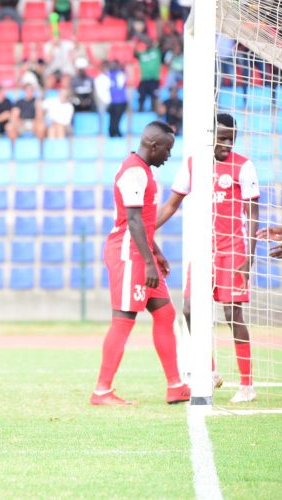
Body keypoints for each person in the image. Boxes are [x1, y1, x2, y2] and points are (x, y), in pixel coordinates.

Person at [157, 113, 260, 403]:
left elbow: (253, 215)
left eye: (231, 138)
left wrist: (249, 257)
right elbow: (172, 204)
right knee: (189, 309)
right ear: (209, 138)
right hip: (203, 250)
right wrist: (147, 228)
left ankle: (247, 385)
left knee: (232, 313)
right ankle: (211, 371)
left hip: (234, 248)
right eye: (222, 137)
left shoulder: (244, 166)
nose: (227, 143)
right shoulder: (193, 165)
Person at [92, 121, 190, 406]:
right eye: (168, 150)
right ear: (154, 145)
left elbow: (144, 223)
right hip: (127, 254)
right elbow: (132, 220)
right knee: (123, 320)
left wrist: (155, 253)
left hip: (141, 253)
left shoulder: (143, 170)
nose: (169, 156)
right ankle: (101, 391)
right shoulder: (134, 170)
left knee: (165, 314)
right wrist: (148, 262)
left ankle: (175, 386)